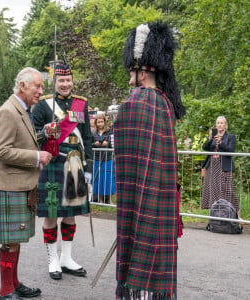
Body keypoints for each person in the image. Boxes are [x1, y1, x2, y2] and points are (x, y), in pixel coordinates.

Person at [114, 22, 186, 299]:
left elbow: (122, 150)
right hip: (161, 198)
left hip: (138, 200)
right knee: (158, 256)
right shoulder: (164, 103)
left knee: (139, 252)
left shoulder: (135, 103)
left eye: (132, 72)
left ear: (142, 72)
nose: (129, 77)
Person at [0, 67, 52, 300]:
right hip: (10, 185)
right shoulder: (8, 111)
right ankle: (5, 291)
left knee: (16, 238)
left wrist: (42, 138)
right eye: (37, 86)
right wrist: (36, 157)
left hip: (19, 184)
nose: (41, 91)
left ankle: (13, 283)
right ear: (22, 86)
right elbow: (1, 152)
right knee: (10, 240)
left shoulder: (22, 110)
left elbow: (20, 142)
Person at [32, 62, 93, 281]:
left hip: (75, 163)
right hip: (52, 163)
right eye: (61, 81)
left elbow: (87, 137)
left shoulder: (80, 104)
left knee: (71, 213)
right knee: (51, 213)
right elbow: (34, 136)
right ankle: (53, 260)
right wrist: (46, 133)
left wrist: (89, 167)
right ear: (54, 82)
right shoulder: (42, 106)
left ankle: (67, 258)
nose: (65, 84)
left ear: (72, 81)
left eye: (68, 80)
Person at [201, 116, 240, 217]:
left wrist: (220, 142)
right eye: (218, 123)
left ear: (226, 125)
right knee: (213, 191)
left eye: (222, 123)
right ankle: (215, 215)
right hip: (212, 167)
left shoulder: (230, 137)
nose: (219, 125)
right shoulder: (213, 137)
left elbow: (230, 151)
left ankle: (237, 215)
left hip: (224, 167)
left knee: (229, 191)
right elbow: (205, 148)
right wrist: (210, 138)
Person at [92, 114, 116, 204]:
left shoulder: (110, 132)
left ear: (104, 122)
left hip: (108, 158)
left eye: (101, 122)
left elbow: (112, 143)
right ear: (96, 123)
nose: (100, 124)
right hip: (97, 158)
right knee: (99, 178)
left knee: (108, 179)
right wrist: (95, 144)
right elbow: (90, 143)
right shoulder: (93, 133)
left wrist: (107, 144)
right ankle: (100, 200)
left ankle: (109, 200)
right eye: (98, 122)